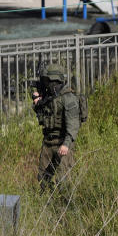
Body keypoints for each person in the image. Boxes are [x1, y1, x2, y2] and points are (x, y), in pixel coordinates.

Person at [32, 63, 81, 191]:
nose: (46, 84)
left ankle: (66, 209)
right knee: (43, 180)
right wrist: (38, 104)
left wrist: (66, 144)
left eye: (47, 80)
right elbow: (44, 119)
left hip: (62, 143)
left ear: (54, 80)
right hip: (48, 143)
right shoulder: (49, 98)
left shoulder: (68, 98)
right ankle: (49, 206)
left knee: (63, 182)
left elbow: (73, 124)